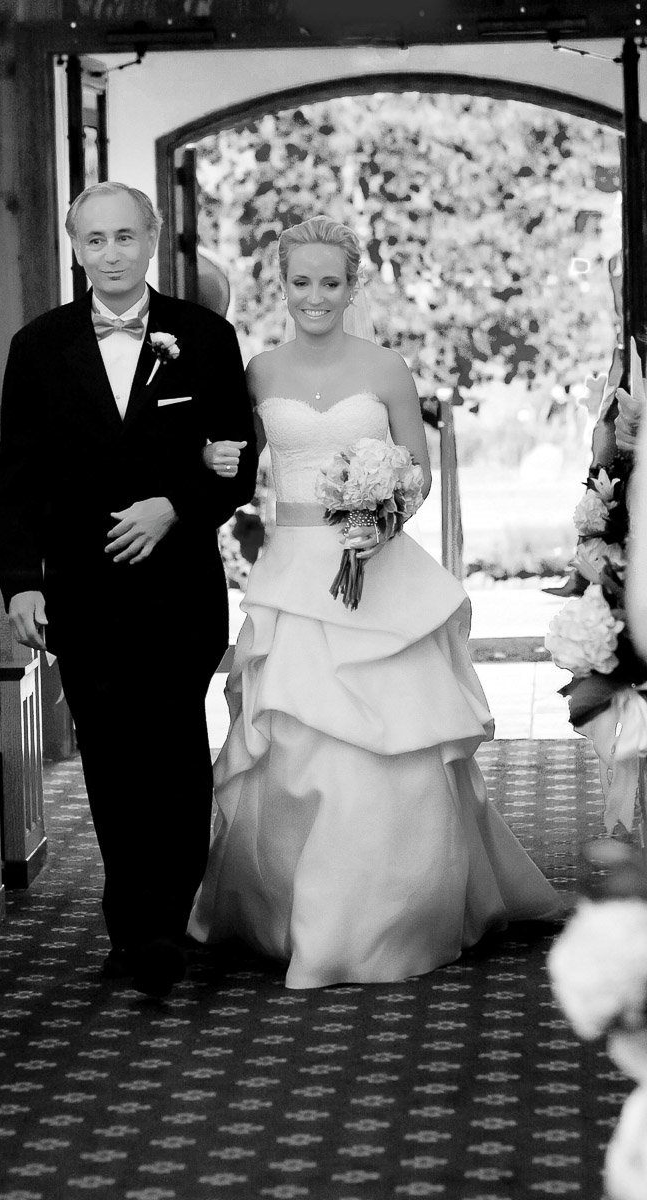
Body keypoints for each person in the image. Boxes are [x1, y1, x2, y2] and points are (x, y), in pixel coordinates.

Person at [189, 215, 565, 989]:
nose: (316, 297)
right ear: (282, 284)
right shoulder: (256, 370)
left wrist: (380, 515)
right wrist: (208, 455)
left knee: (395, 745)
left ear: (353, 284)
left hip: (378, 567)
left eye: (332, 282)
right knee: (293, 747)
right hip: (293, 574)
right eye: (302, 282)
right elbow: (226, 458)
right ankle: (285, 910)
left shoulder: (388, 366)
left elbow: (418, 474)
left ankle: (393, 914)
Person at [0, 181, 258, 998]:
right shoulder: (38, 346)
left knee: (175, 750)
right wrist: (22, 585)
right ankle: (133, 923)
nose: (111, 253)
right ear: (76, 250)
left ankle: (164, 925)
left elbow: (237, 460)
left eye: (124, 237)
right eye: (94, 240)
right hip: (82, 589)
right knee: (110, 758)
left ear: (152, 239)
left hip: (178, 587)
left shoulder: (204, 337)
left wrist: (173, 504)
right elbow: (18, 480)